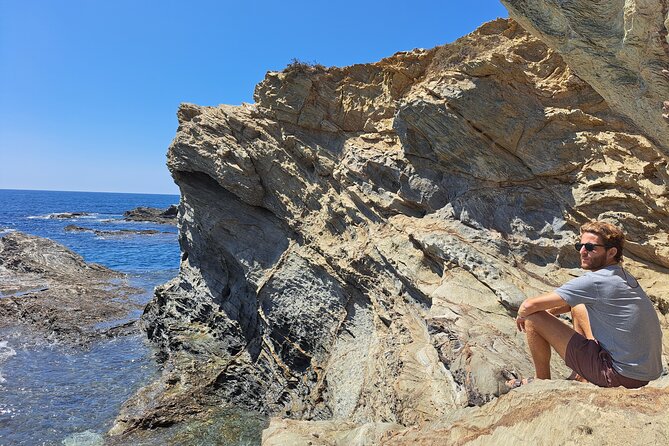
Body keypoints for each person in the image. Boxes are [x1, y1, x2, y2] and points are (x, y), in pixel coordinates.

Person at [507, 221, 663, 389]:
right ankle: (582, 375)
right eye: (579, 246)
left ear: (611, 252)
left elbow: (529, 306)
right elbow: (571, 303)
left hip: (619, 376)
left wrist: (527, 317)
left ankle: (541, 382)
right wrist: (551, 317)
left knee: (533, 318)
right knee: (578, 305)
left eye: (590, 247)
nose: (582, 251)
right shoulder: (622, 275)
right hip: (646, 373)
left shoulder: (595, 281)